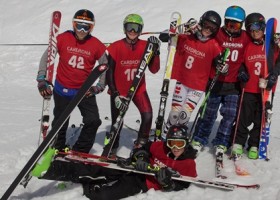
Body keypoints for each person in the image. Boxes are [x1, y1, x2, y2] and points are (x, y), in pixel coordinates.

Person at [33, 124, 197, 200]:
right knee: (94, 170)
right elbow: (143, 148)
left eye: (180, 144)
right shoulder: (160, 147)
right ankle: (49, 169)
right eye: (172, 143)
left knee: (105, 195)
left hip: (141, 183)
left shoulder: (189, 164)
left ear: (186, 143)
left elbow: (185, 186)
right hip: (131, 168)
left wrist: (168, 185)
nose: (175, 148)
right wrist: (141, 158)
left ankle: (83, 187)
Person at [36, 9, 107, 153]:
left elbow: (105, 66)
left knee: (93, 121)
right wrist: (41, 79)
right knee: (60, 123)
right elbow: (47, 58)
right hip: (62, 89)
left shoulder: (96, 45)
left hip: (84, 91)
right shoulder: (62, 38)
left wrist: (99, 86)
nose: (81, 30)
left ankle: (80, 151)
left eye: (86, 26)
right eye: (78, 25)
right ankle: (58, 148)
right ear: (73, 25)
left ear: (91, 28)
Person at [160, 11, 228, 141]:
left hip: (198, 86)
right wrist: (183, 27)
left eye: (212, 28)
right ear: (201, 22)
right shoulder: (188, 36)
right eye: (206, 25)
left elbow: (221, 66)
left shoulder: (214, 46)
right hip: (182, 81)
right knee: (174, 114)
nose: (208, 30)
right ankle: (165, 135)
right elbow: (164, 36)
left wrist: (223, 68)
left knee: (184, 116)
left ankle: (178, 139)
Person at [192, 5, 251, 155]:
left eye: (236, 24)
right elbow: (201, 35)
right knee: (209, 113)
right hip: (215, 81)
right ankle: (199, 138)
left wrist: (243, 70)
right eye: (229, 23)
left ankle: (222, 141)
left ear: (242, 24)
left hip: (233, 85)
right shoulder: (217, 33)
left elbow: (260, 40)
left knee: (230, 115)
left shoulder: (245, 37)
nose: (231, 28)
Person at [231, 13, 280, 159]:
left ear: (263, 28)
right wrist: (242, 72)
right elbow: (240, 64)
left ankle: (254, 144)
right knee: (243, 117)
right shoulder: (247, 46)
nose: (255, 33)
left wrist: (274, 74)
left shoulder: (271, 47)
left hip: (265, 89)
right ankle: (238, 143)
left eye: (258, 29)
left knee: (260, 118)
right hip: (248, 88)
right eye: (251, 30)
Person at [105, 14, 161, 155]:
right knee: (117, 121)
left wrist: (155, 53)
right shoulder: (116, 47)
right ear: (124, 28)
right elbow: (109, 73)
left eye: (136, 28)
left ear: (141, 30)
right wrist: (115, 94)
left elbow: (154, 70)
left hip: (138, 89)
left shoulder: (144, 46)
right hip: (119, 91)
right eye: (129, 27)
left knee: (147, 116)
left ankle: (141, 145)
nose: (132, 31)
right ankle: (112, 147)